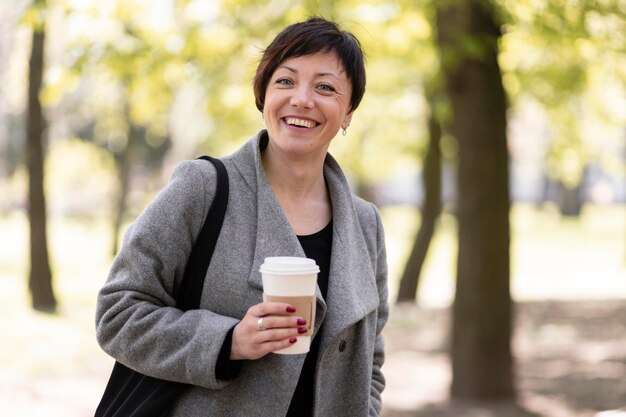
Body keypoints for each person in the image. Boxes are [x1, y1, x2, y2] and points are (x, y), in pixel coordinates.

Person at [95, 17, 389, 417]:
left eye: (325, 87)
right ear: (263, 95)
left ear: (349, 111)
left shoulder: (364, 223)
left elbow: (369, 357)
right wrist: (228, 341)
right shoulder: (202, 188)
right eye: (285, 81)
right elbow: (118, 313)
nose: (302, 99)